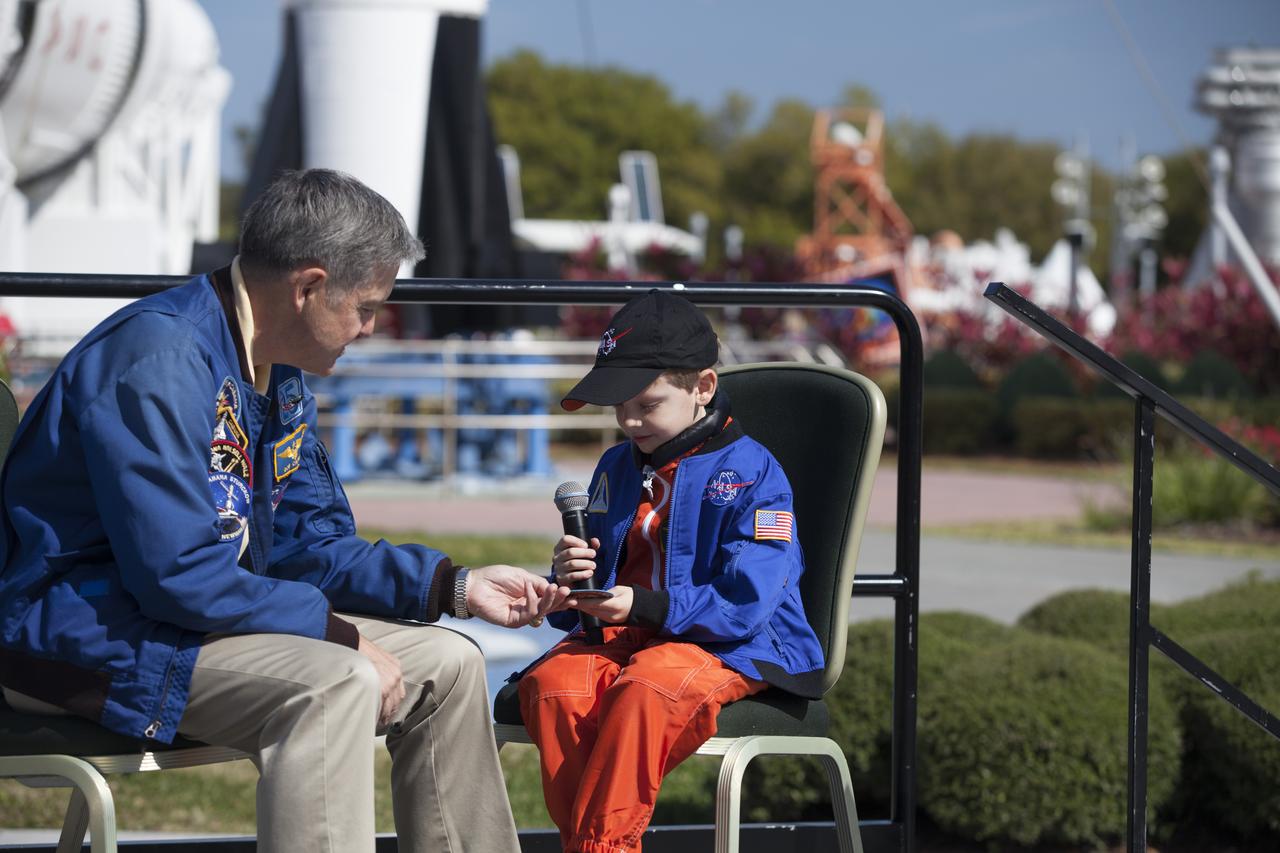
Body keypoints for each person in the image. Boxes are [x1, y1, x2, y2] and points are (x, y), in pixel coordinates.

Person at [0, 169, 567, 853]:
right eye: (365, 306)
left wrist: (454, 584)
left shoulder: (278, 367)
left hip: (180, 621)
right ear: (306, 287)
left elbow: (308, 545)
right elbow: (177, 575)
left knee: (447, 664)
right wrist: (341, 635)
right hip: (76, 635)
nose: (368, 327)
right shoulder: (158, 361)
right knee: (337, 681)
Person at [517, 289, 826, 853]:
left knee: (649, 688)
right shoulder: (616, 465)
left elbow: (748, 602)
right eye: (618, 405)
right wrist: (570, 581)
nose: (629, 419)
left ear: (702, 388)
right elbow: (606, 573)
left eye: (647, 402)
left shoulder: (755, 474)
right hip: (630, 633)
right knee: (552, 686)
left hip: (733, 643)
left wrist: (643, 606)